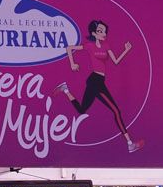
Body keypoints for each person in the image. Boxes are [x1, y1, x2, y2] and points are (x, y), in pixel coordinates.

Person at [56, 19, 144, 153]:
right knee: (116, 111)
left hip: (98, 81)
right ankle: (129, 143)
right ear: (94, 33)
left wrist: (126, 50)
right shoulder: (89, 45)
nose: (103, 33)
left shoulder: (106, 45)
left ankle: (65, 89)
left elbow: (115, 61)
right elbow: (69, 48)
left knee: (81, 110)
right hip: (95, 81)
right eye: (100, 31)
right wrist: (72, 63)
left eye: (104, 31)